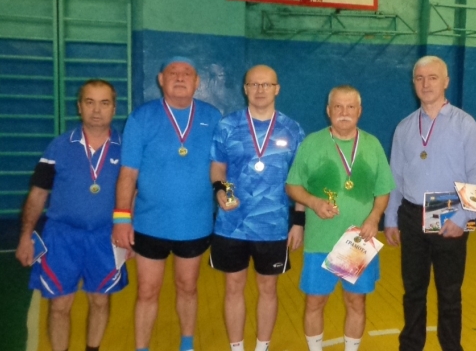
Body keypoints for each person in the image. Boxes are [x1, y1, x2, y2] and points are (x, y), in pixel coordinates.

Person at [112, 57, 222, 351]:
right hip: (149, 223)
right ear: (161, 79)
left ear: (197, 82)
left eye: (187, 73)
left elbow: (222, 167)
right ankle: (142, 348)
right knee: (147, 291)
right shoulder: (141, 117)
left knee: (188, 287)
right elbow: (128, 174)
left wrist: (228, 195)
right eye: (173, 72)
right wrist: (122, 218)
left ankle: (187, 345)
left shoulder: (212, 117)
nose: (180, 77)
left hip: (195, 223)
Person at [384, 55, 476, 351]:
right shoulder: (404, 127)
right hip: (411, 214)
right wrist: (391, 219)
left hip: (451, 211)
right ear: (413, 83)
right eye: (419, 78)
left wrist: (463, 217)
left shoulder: (465, 124)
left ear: (446, 82)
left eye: (432, 77)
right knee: (413, 290)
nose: (426, 84)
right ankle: (411, 346)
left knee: (450, 292)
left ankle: (452, 347)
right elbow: (395, 176)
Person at [16, 79, 127, 351]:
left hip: (106, 236)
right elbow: (38, 194)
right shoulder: (58, 147)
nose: (97, 110)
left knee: (100, 300)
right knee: (59, 305)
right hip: (61, 237)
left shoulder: (126, 148)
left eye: (104, 103)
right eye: (90, 102)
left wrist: (129, 232)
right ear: (79, 107)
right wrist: (25, 236)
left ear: (114, 108)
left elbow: (134, 193)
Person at [286, 85, 395, 351]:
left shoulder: (372, 144)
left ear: (359, 111)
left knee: (356, 302)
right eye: (338, 107)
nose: (344, 112)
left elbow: (383, 191)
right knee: (315, 302)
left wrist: (374, 218)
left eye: (350, 107)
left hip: (358, 240)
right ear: (328, 110)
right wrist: (313, 202)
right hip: (321, 240)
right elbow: (293, 186)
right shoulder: (312, 143)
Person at [209, 65, 306, 351]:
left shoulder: (293, 129)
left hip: (273, 225)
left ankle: (261, 348)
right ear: (245, 89)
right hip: (232, 224)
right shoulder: (227, 126)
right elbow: (218, 167)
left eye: (266, 85)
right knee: (233, 287)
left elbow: (300, 179)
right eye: (253, 84)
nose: (260, 90)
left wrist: (298, 221)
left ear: (277, 89)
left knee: (268, 289)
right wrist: (221, 191)